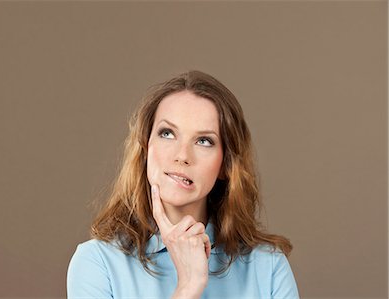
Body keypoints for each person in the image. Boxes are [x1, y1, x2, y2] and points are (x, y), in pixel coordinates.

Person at [67, 70, 300, 299]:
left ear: (225, 165)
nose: (182, 155)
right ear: (146, 148)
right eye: (167, 133)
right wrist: (188, 286)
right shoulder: (98, 263)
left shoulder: (268, 266)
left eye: (204, 141)